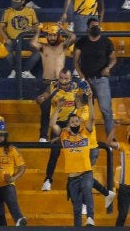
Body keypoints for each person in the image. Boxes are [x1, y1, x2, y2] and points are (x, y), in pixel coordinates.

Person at [49, 91, 96, 227]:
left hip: (86, 172)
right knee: (76, 209)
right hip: (72, 177)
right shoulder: (64, 134)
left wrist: (91, 99)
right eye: (72, 121)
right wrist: (58, 108)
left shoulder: (85, 132)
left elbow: (92, 119)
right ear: (69, 124)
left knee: (87, 189)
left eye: (77, 121)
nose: (75, 123)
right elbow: (53, 125)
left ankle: (90, 218)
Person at [36, 68, 80, 190]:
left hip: (71, 123)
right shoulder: (53, 86)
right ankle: (48, 180)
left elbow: (80, 105)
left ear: (71, 78)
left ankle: (76, 181)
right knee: (54, 152)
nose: (63, 81)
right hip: (56, 122)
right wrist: (41, 98)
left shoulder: (76, 88)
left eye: (66, 79)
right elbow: (44, 96)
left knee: (74, 152)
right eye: (61, 78)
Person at [0, 117, 28, 226]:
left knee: (12, 202)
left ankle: (19, 219)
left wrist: (13, 178)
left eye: (1, 135)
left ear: (5, 136)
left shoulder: (12, 149)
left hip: (8, 184)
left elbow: (22, 167)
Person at [74, 18, 115, 134]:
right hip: (86, 79)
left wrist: (109, 67)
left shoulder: (106, 42)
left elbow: (113, 58)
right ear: (88, 28)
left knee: (106, 110)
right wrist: (82, 78)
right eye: (93, 26)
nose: (96, 28)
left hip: (101, 80)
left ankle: (110, 139)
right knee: (85, 110)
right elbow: (76, 62)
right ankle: (86, 136)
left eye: (97, 25)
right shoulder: (81, 42)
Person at [0, 0, 39, 78]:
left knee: (38, 51)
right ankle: (15, 70)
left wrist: (31, 29)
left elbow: (37, 27)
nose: (14, 2)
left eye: (16, 0)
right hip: (12, 40)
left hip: (26, 40)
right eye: (12, 0)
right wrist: (7, 39)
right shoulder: (7, 11)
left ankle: (25, 71)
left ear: (23, 1)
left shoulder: (30, 11)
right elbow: (1, 28)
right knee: (6, 50)